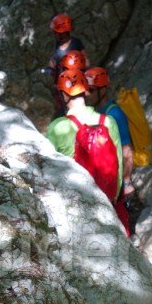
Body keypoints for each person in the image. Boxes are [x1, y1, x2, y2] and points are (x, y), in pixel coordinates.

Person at [45, 69, 130, 236]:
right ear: (85, 91)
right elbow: (118, 165)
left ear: (64, 95)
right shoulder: (108, 122)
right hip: (107, 201)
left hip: (77, 207)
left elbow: (49, 170)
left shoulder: (57, 127)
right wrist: (113, 198)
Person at [85, 67, 135, 200]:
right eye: (85, 89)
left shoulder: (114, 114)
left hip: (116, 183)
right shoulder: (98, 112)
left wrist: (126, 182)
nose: (86, 94)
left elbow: (127, 149)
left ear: (102, 90)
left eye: (91, 90)